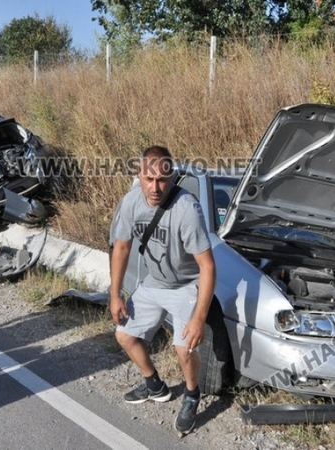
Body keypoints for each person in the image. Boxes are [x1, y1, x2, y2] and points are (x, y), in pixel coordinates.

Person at [109, 145, 216, 436]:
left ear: (172, 178)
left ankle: (192, 394)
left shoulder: (186, 209)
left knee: (185, 347)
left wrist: (198, 316)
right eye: (149, 179)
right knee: (124, 334)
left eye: (162, 180)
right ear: (139, 175)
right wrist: (115, 294)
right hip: (155, 283)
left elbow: (207, 266)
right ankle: (155, 385)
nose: (155, 187)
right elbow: (121, 247)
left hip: (186, 285)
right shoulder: (132, 202)